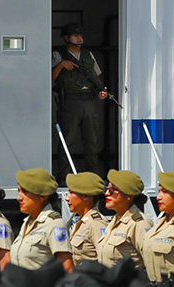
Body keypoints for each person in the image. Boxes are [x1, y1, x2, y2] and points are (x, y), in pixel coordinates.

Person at [52, 24, 109, 179]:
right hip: (70, 101)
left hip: (88, 100)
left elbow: (95, 77)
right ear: (67, 38)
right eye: (75, 36)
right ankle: (64, 176)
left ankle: (94, 175)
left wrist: (100, 91)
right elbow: (51, 76)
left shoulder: (88, 54)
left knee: (91, 140)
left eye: (81, 36)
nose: (79, 38)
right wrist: (62, 65)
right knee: (67, 140)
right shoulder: (59, 55)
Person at [10, 168, 72, 271]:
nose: (19, 197)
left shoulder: (54, 224)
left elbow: (67, 266)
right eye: (19, 191)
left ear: (43, 196)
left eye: (25, 192)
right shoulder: (27, 223)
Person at [96, 169, 151, 270]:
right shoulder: (114, 220)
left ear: (129, 195)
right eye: (106, 189)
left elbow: (151, 263)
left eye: (113, 190)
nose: (107, 193)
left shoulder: (139, 223)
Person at [65, 172, 107, 265]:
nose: (66, 198)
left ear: (86, 197)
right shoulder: (81, 223)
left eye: (71, 192)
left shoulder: (96, 224)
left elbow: (106, 260)